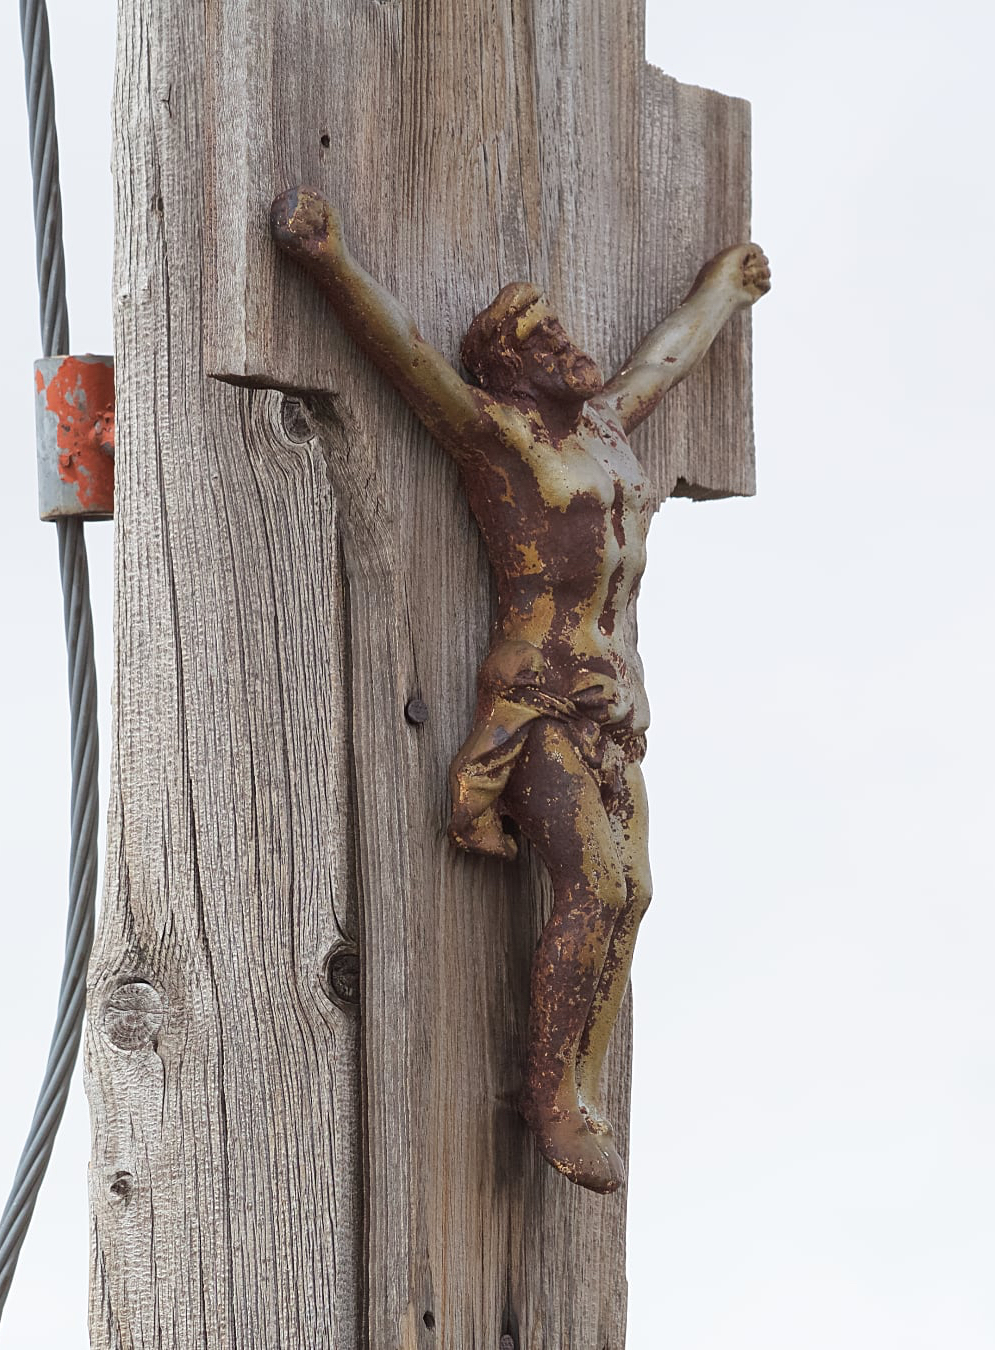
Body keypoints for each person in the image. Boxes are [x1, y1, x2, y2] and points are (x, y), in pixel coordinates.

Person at [271, 187, 770, 1193]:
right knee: (595, 885)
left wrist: (722, 294)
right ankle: (552, 1097)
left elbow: (664, 360)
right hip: (538, 699)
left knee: (636, 892)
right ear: (510, 368)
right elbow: (407, 357)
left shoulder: (607, 428)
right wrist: (328, 260)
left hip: (614, 706)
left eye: (560, 331)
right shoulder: (501, 440)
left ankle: (583, 1081)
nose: (568, 348)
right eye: (544, 341)